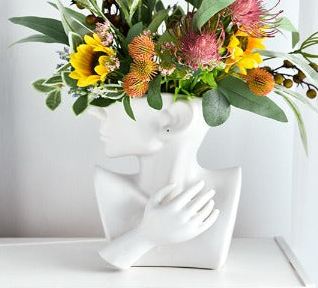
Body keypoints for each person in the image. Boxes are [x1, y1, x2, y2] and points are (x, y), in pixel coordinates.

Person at [91, 94, 241, 270]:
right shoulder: (107, 186)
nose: (95, 110)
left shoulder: (227, 187)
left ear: (175, 120)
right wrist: (145, 236)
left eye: (122, 94)